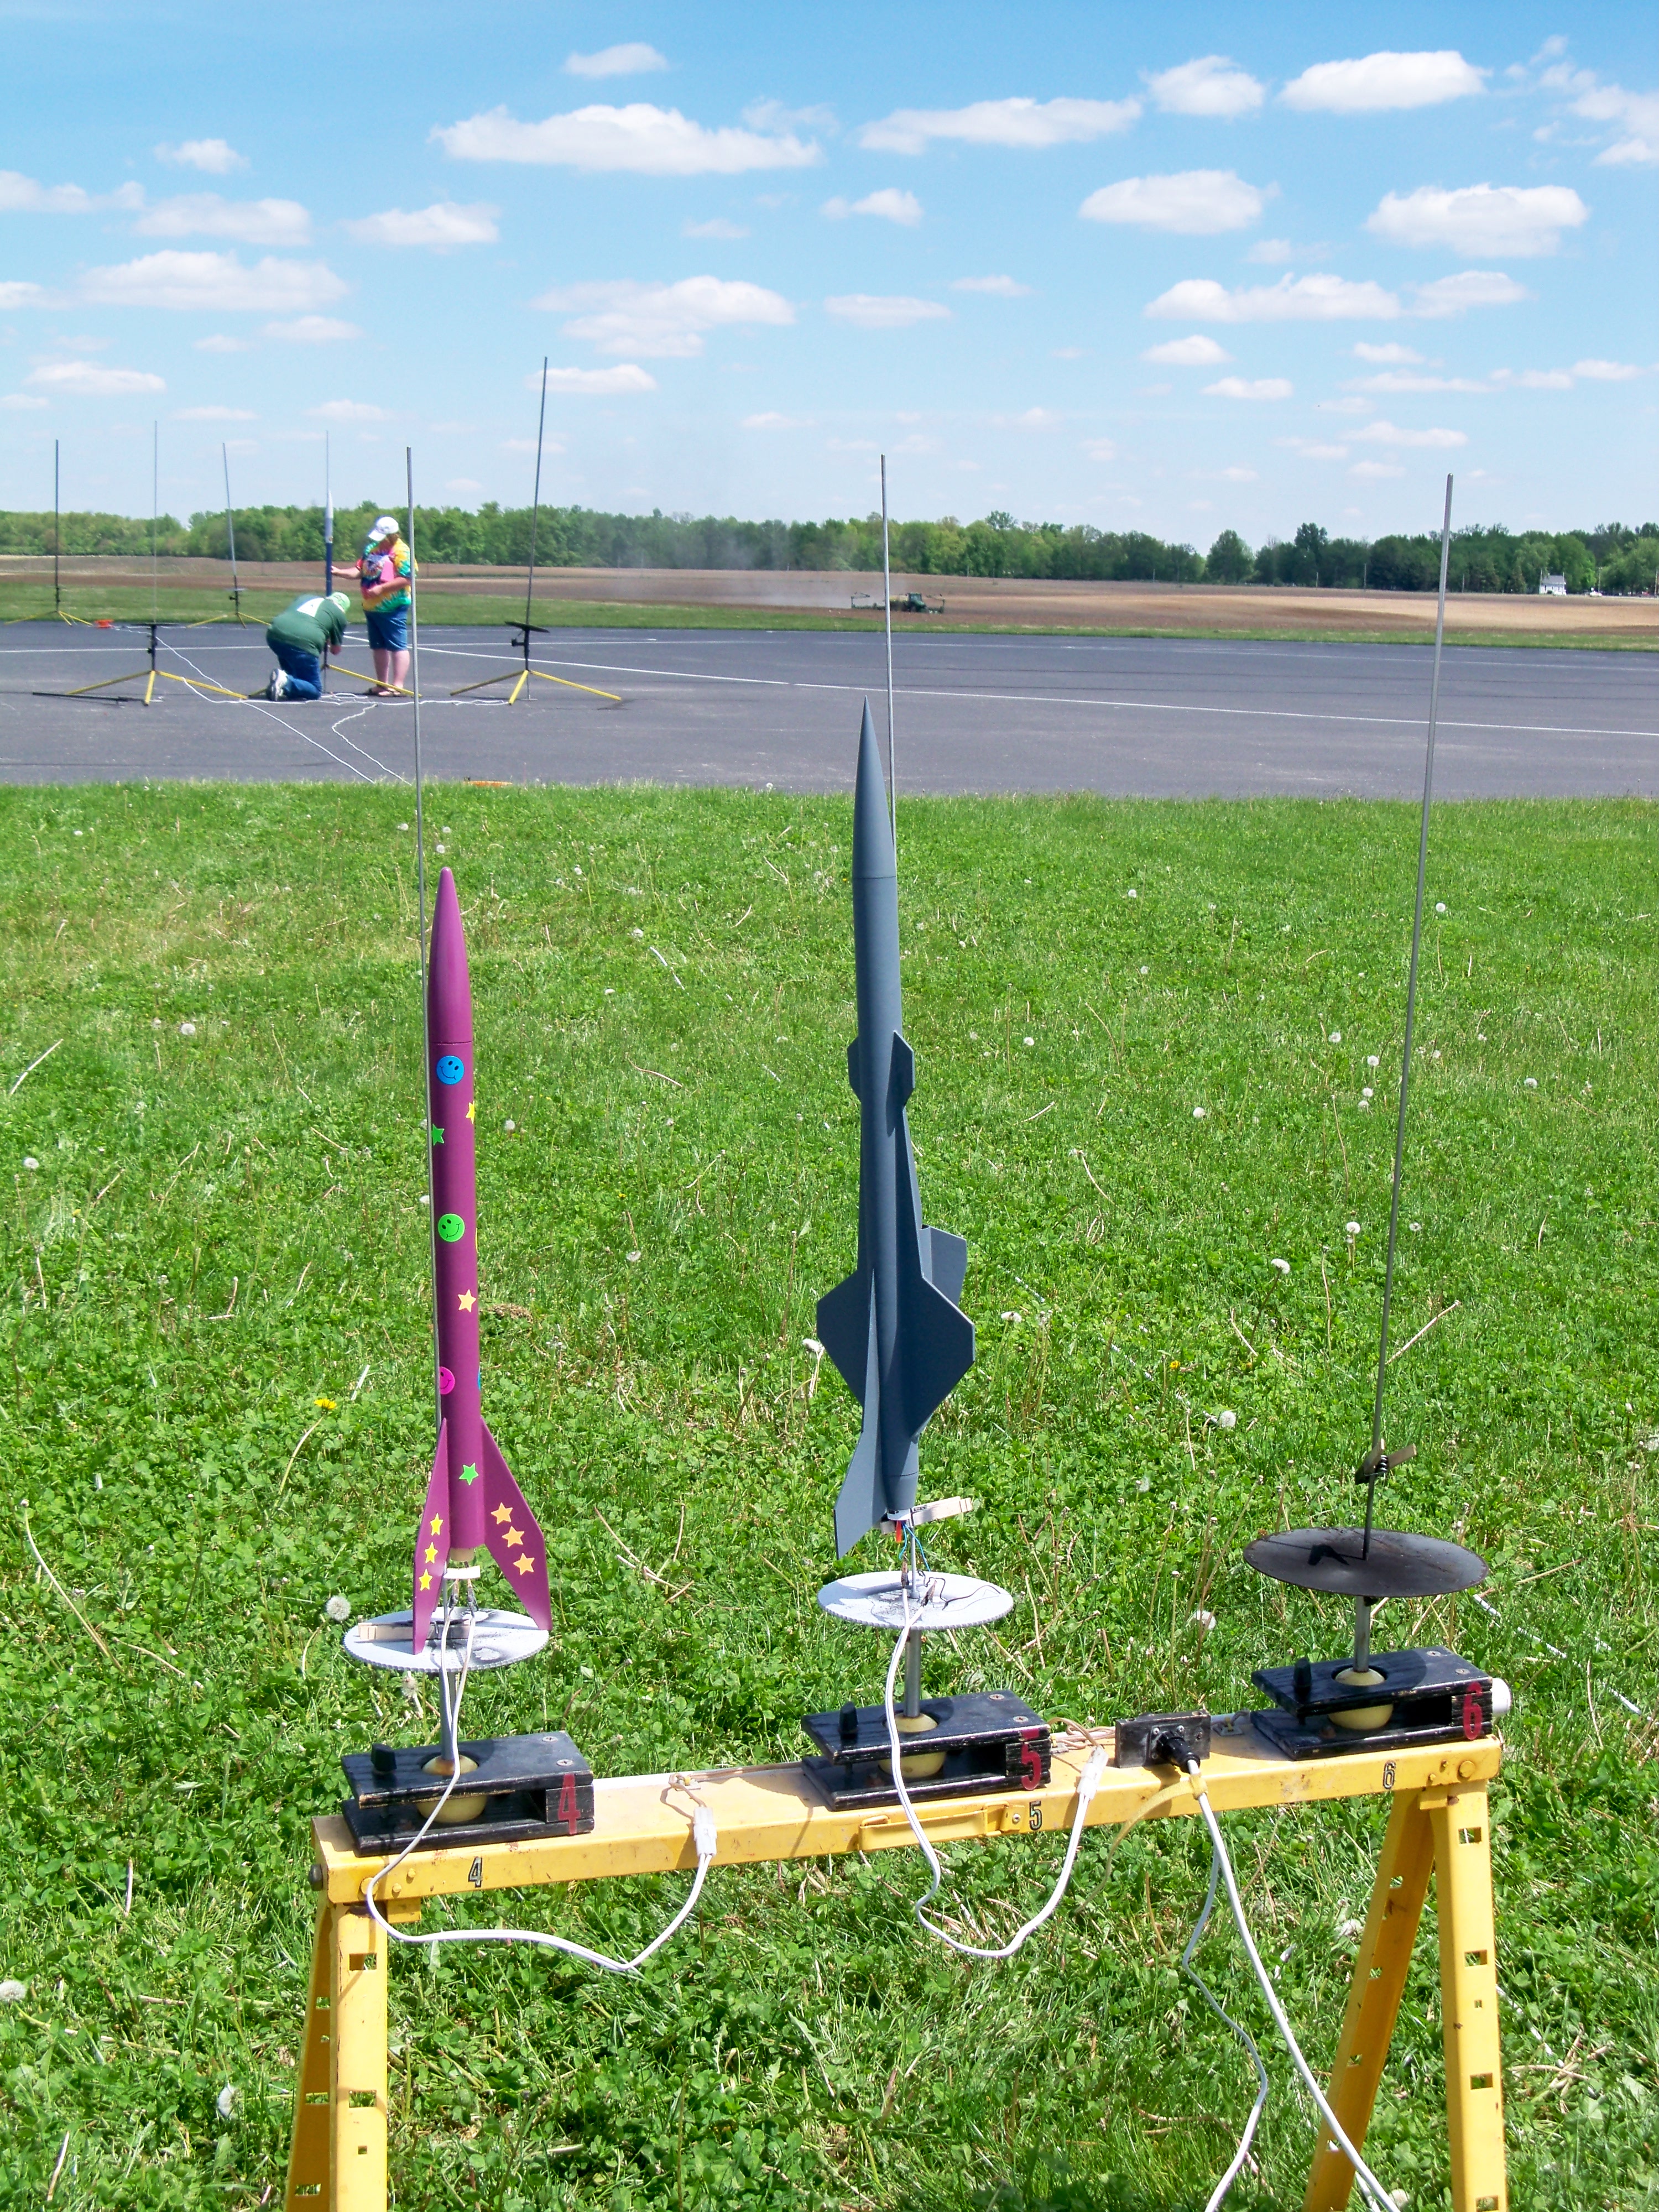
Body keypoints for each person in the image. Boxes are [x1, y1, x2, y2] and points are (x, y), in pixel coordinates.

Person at [356, 513, 415, 695]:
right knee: (378, 646)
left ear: (392, 535)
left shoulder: (402, 551)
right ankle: (382, 684)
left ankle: (397, 686)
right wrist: (339, 572)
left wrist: (382, 589)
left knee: (397, 646)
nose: (379, 540)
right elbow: (360, 571)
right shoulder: (372, 549)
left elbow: (407, 579)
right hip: (372, 607)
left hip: (393, 607)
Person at [264, 589, 351, 701]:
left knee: (296, 679)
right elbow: (335, 650)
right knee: (315, 690)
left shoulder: (306, 597)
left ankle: (282, 685)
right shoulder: (340, 616)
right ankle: (286, 682)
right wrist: (328, 639)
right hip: (304, 644)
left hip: (274, 635)